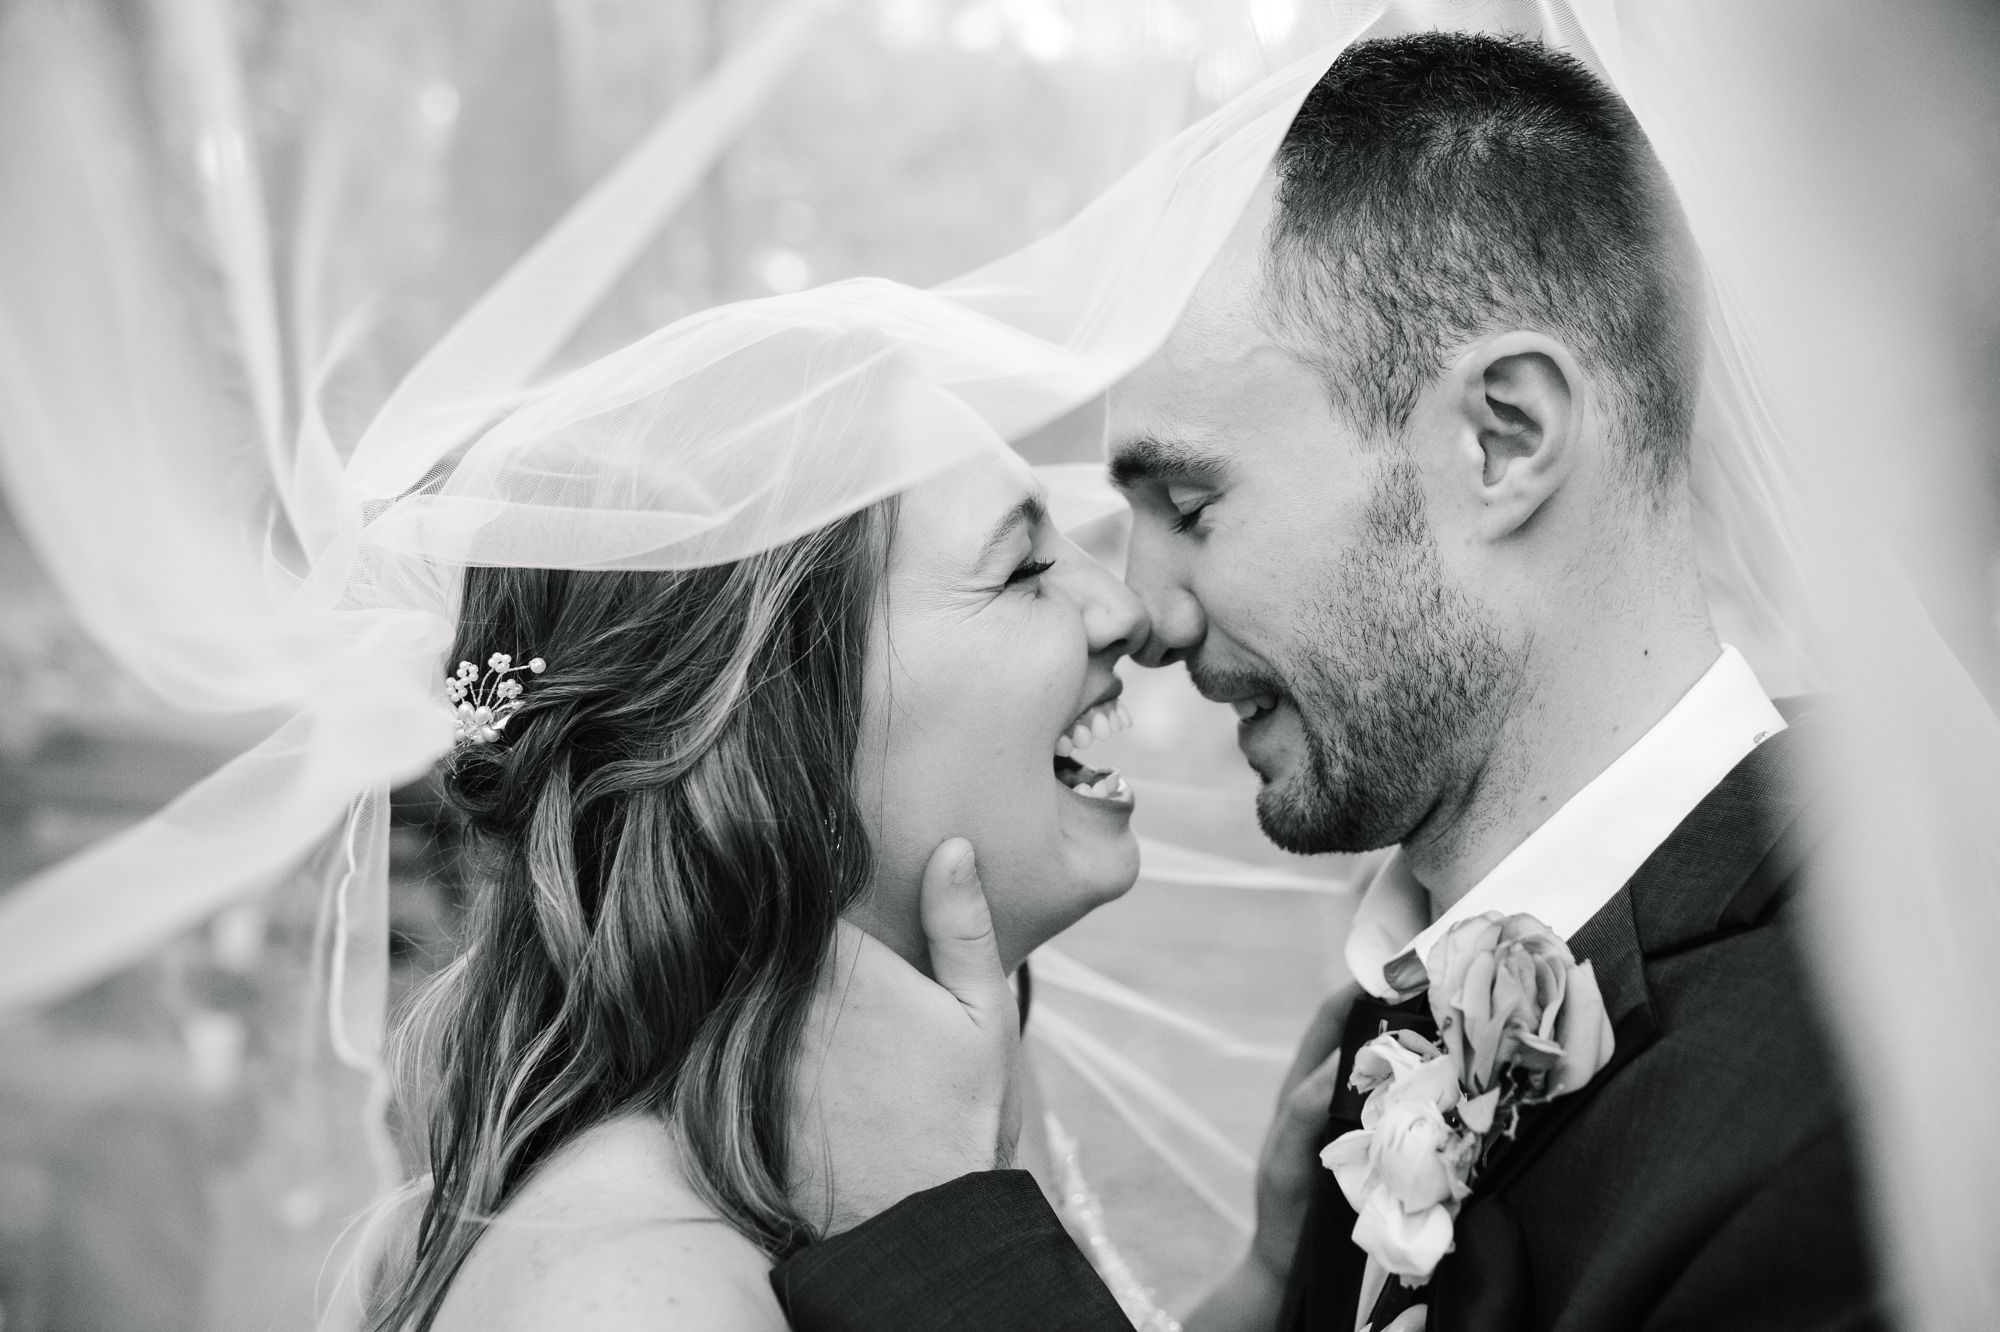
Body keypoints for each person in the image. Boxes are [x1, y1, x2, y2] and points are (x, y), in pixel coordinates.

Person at [766, 33, 1883, 1332]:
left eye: (1190, 503)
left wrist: (951, 1237)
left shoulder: (1855, 1116)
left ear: (1502, 439)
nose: (1145, 612)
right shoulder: (1405, 1016)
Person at [359, 441, 1152, 1330]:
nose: (1127, 610)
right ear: (776, 737)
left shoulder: (940, 1094)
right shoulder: (635, 1295)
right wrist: (957, 1223)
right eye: (1024, 569)